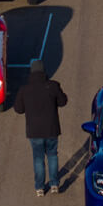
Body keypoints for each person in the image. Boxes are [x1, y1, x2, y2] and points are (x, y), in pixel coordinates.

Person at [13, 59, 68, 196]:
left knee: (38, 159)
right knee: (52, 155)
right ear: (44, 71)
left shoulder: (24, 90)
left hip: (34, 131)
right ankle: (54, 184)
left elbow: (18, 109)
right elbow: (63, 102)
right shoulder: (53, 86)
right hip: (51, 129)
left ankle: (40, 187)